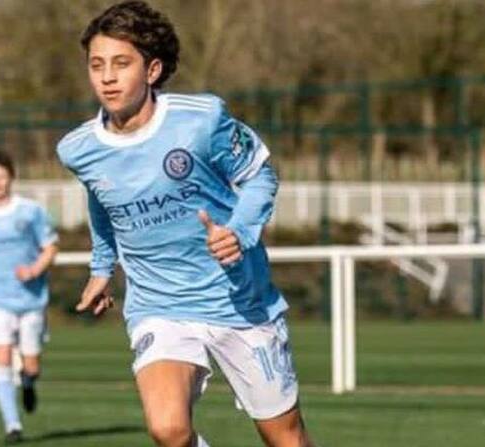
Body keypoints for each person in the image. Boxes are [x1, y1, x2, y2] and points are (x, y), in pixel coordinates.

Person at [56, 2, 316, 446]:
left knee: (285, 438)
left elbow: (260, 175)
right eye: (97, 65)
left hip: (238, 301)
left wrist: (239, 232)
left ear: (153, 69)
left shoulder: (202, 119)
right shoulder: (78, 149)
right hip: (159, 304)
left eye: (122, 63)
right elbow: (103, 203)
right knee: (168, 429)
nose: (107, 77)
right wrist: (102, 268)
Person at [0, 151, 59, 445]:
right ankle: (12, 425)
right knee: (1, 358)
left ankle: (28, 382)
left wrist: (34, 269)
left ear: (11, 177)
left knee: (31, 364)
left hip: (31, 299)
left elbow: (51, 247)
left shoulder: (31, 211)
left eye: (1, 178)